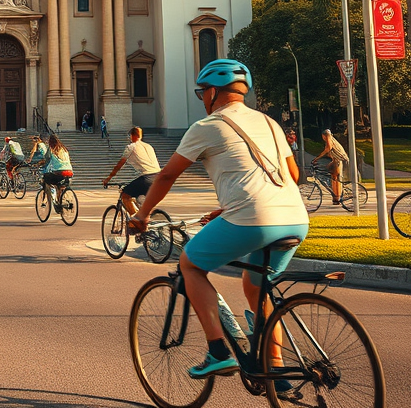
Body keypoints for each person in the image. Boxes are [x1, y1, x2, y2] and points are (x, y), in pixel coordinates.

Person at [129, 59, 307, 385]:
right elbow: (292, 176)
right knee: (257, 286)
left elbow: (167, 174)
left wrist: (143, 215)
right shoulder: (269, 123)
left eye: (201, 93)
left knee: (190, 265)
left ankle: (218, 353)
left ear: (212, 92)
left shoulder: (207, 126)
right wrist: (227, 209)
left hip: (254, 219)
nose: (201, 99)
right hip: (295, 218)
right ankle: (275, 368)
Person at [102, 126, 161, 216]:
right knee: (139, 196)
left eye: (130, 136)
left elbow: (119, 165)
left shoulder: (131, 147)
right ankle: (144, 216)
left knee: (125, 196)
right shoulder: (149, 146)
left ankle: (136, 221)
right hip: (158, 177)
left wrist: (108, 178)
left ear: (132, 136)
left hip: (146, 178)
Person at [312, 130, 348, 205]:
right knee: (333, 178)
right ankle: (335, 196)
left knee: (337, 179)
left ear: (325, 136)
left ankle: (338, 197)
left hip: (338, 160)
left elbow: (328, 149)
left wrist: (317, 158)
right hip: (335, 160)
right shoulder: (332, 140)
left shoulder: (330, 140)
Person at [40, 134, 73, 209]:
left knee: (46, 178)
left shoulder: (51, 148)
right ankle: (60, 202)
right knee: (60, 186)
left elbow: (47, 159)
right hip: (69, 172)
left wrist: (43, 165)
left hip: (59, 172)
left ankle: (46, 199)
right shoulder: (64, 149)